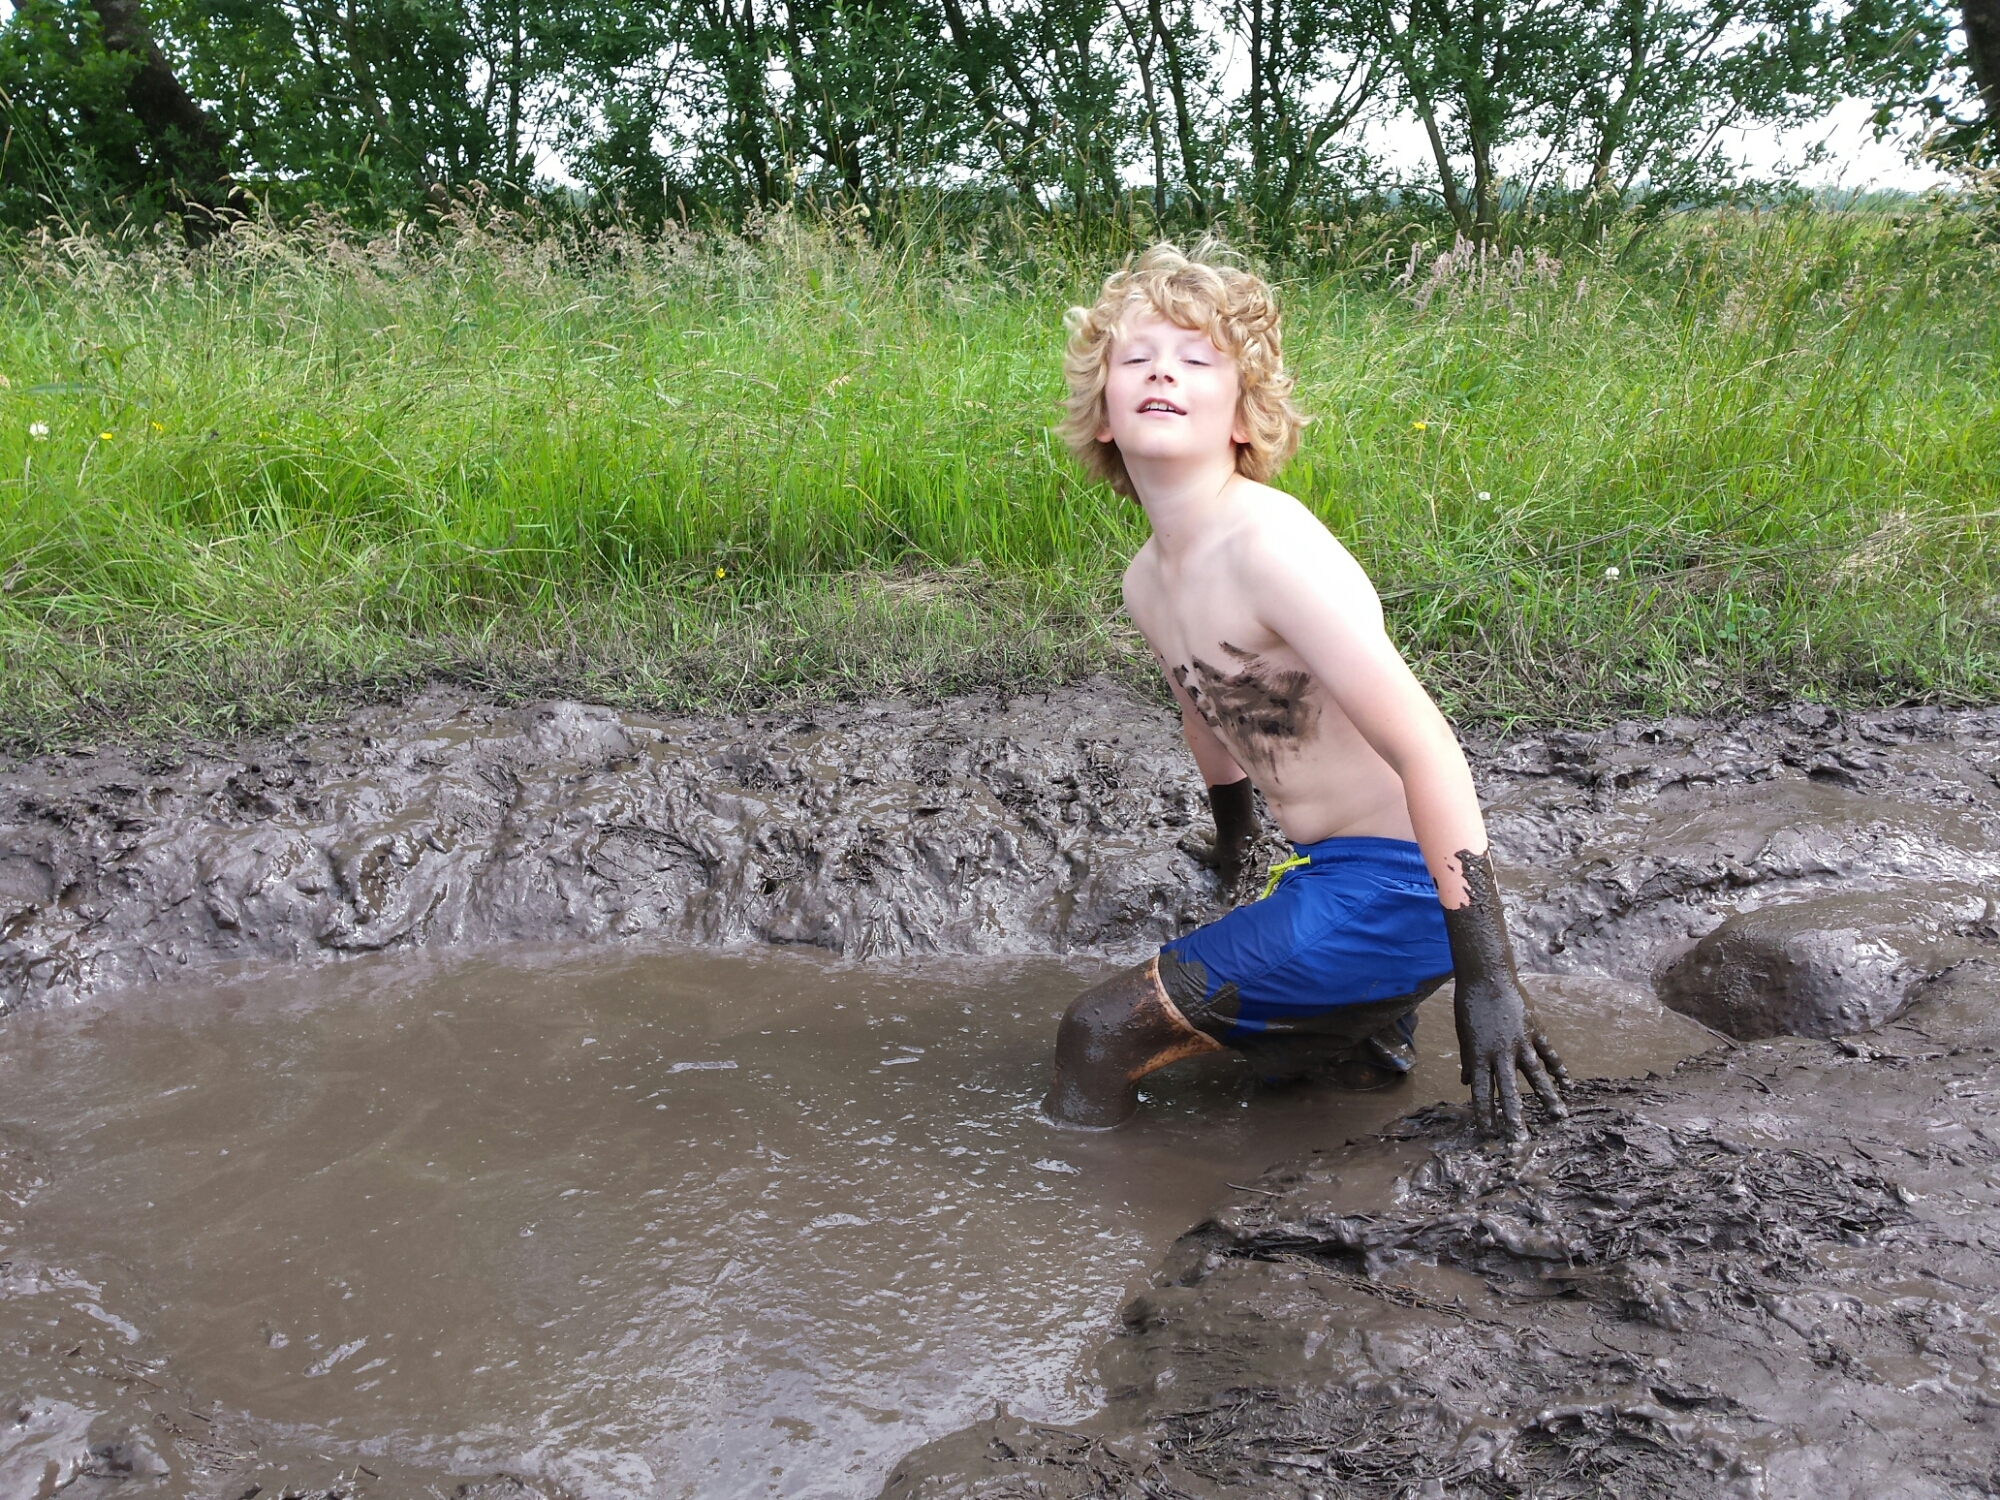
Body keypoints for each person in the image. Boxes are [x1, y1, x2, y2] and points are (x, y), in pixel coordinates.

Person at [1043, 243, 1568, 1141]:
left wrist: (1490, 980)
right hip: (1328, 870)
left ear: (1244, 417)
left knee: (1096, 1034)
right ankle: (1353, 1041)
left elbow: (1428, 748)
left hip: (1407, 886)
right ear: (1101, 414)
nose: (1163, 372)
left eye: (1196, 360)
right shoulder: (1147, 580)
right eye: (1137, 359)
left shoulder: (1268, 547)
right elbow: (1208, 712)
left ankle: (1073, 1203)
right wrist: (1236, 847)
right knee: (1285, 1077)